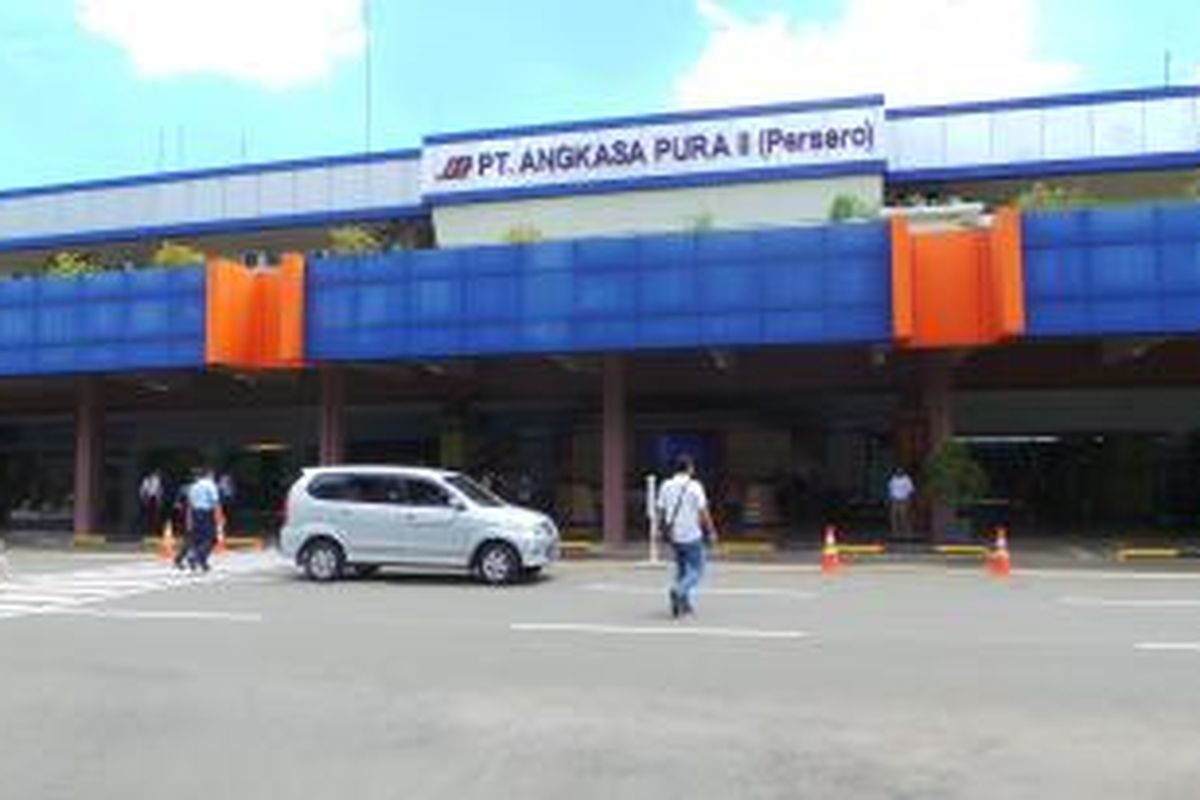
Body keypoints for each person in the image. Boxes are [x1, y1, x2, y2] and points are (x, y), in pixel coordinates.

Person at [657, 454, 719, 618]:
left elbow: (661, 510)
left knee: (682, 570)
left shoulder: (666, 485)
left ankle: (684, 604)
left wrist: (659, 529)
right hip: (692, 534)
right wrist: (711, 531)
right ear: (689, 468)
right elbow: (703, 511)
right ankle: (678, 591)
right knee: (697, 570)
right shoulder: (695, 486)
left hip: (674, 534)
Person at [888, 467, 916, 540]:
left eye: (900, 471)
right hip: (895, 499)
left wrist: (908, 499)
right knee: (893, 515)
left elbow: (910, 490)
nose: (899, 472)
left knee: (904, 515)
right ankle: (895, 531)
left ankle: (905, 531)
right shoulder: (893, 479)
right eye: (897, 471)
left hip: (904, 499)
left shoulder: (907, 479)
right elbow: (890, 488)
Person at [137, 469, 164, 539]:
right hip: (148, 499)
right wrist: (143, 499)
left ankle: (154, 531)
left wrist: (159, 499)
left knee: (155, 516)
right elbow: (142, 490)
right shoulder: (146, 480)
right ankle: (147, 531)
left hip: (154, 499)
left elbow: (159, 490)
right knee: (147, 516)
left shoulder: (157, 480)